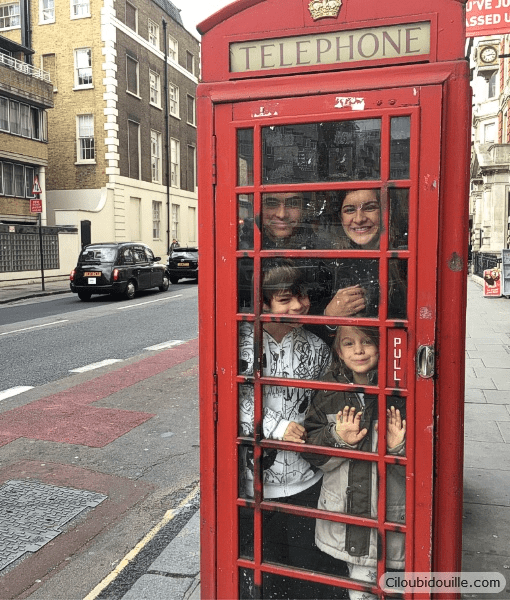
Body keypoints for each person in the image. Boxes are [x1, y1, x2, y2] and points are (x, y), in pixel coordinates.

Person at [238, 260, 332, 599]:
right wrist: (278, 427)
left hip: (308, 482)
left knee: (309, 573)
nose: (299, 305)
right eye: (285, 299)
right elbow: (230, 405)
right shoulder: (238, 343)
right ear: (263, 303)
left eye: (302, 295)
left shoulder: (317, 348)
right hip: (254, 486)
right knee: (266, 577)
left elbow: (325, 406)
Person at [304, 325, 406, 600]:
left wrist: (399, 448)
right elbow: (311, 452)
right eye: (349, 343)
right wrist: (338, 438)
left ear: (381, 346)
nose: (359, 350)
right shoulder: (327, 391)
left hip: (393, 516)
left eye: (367, 342)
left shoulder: (402, 391)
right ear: (338, 351)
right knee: (360, 589)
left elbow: (427, 465)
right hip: (347, 517)